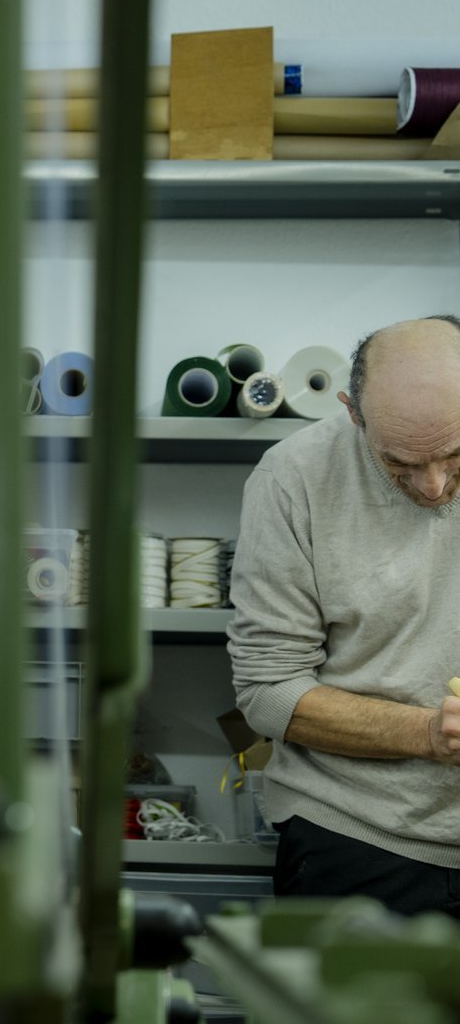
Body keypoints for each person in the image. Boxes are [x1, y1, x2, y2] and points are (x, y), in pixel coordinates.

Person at [228, 314, 460, 919]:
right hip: (360, 837)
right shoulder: (294, 478)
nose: (434, 486)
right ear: (353, 413)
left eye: (456, 455)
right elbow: (268, 691)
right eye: (400, 463)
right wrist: (430, 735)